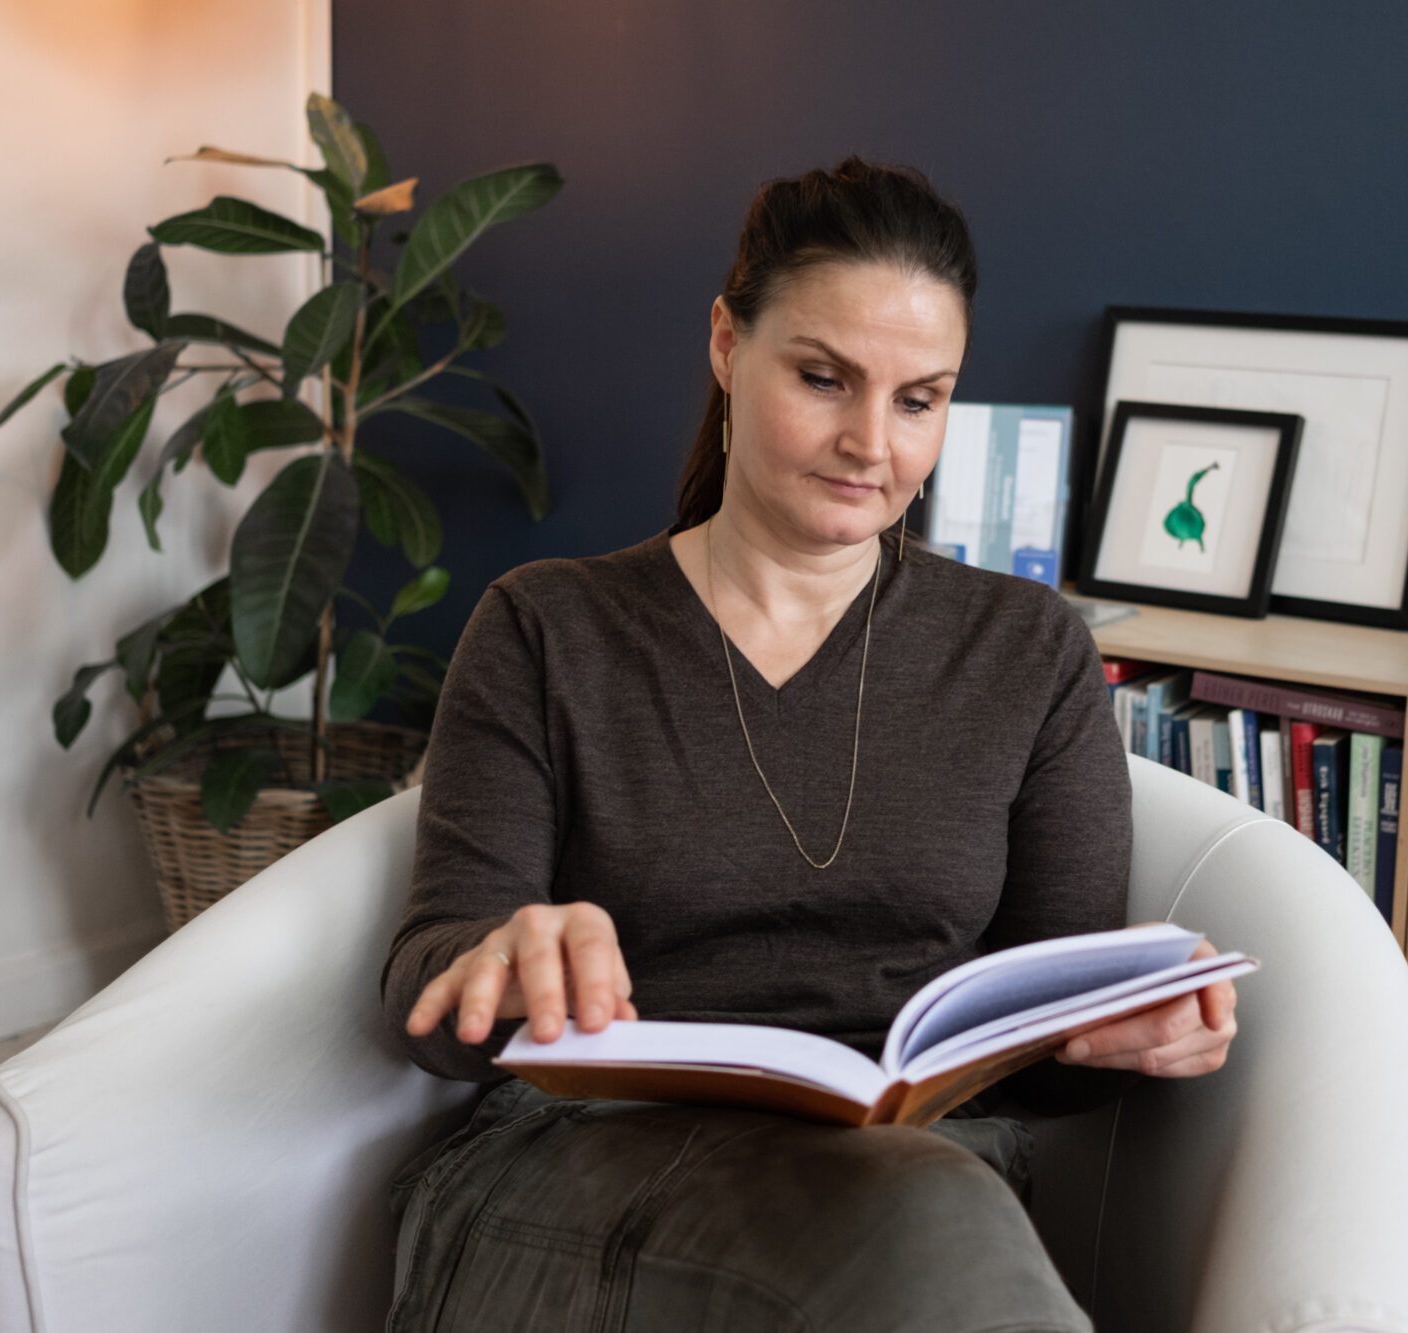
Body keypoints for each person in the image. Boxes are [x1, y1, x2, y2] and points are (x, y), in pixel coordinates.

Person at [379, 156, 1239, 1333]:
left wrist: (1116, 1031)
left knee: (925, 1219)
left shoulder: (1023, 651)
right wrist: (500, 957)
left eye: (917, 399)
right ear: (727, 347)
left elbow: (1041, 1057)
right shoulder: (547, 626)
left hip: (912, 1184)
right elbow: (421, 1005)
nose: (868, 444)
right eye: (824, 378)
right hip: (583, 1169)